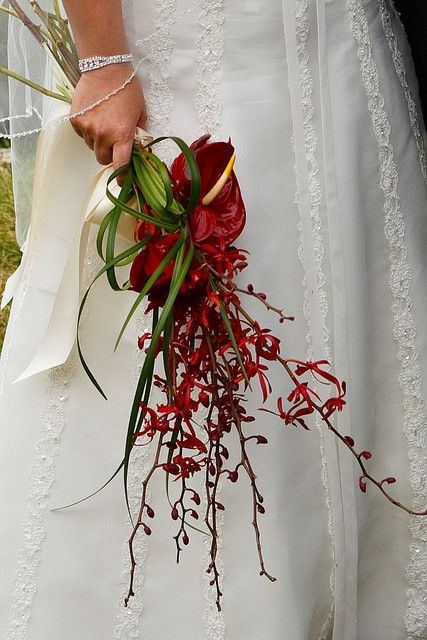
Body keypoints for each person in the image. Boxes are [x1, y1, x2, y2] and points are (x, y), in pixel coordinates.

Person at [0, 0, 426, 638]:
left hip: (343, 56)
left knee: (356, 335)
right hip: (197, 64)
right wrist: (105, 58)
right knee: (197, 371)